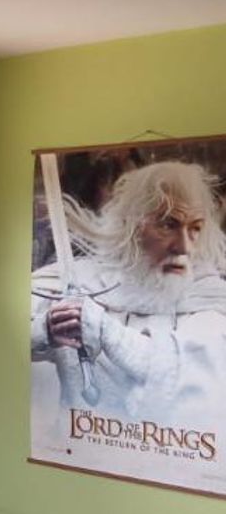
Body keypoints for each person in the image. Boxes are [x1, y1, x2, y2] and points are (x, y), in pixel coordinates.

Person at [31, 160, 226, 425]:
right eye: (168, 225)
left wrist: (108, 332)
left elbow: (194, 373)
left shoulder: (208, 295)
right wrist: (46, 330)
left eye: (195, 228)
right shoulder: (79, 278)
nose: (184, 247)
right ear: (132, 226)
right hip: (74, 444)